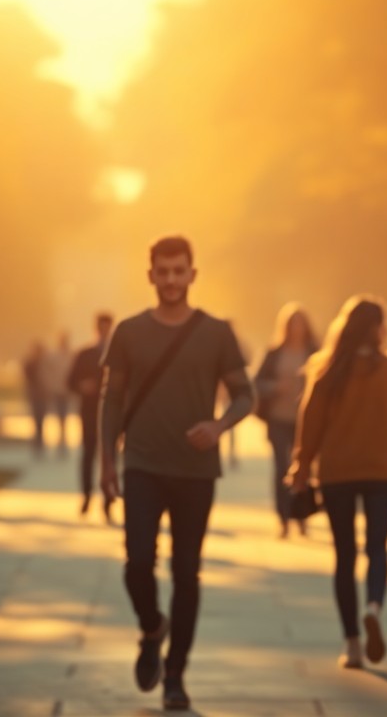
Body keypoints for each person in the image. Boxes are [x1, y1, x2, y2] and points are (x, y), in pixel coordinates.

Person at [98, 236, 254, 711]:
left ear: (192, 274)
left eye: (178, 271)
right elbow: (112, 401)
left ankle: (175, 676)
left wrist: (220, 424)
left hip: (195, 472)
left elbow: (246, 396)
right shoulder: (128, 332)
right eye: (162, 272)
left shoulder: (216, 332)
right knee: (137, 564)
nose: (170, 280)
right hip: (143, 464)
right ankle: (151, 628)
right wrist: (106, 462)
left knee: (187, 573)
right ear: (150, 276)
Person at [287, 296, 387, 669]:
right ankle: (373, 606)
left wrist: (301, 467)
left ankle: (352, 644)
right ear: (377, 329)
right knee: (377, 548)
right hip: (383, 472)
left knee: (344, 555)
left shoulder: (327, 370)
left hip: (337, 473)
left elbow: (309, 424)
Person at [253, 303, 318, 538]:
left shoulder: (314, 352)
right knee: (282, 468)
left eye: (300, 324)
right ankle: (283, 517)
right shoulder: (274, 353)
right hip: (278, 419)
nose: (297, 329)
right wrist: (275, 387)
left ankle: (301, 515)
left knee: (304, 468)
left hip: (305, 421)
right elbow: (257, 383)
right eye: (293, 325)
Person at [67, 312, 114, 520]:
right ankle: (86, 494)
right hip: (89, 411)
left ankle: (109, 500)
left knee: (110, 456)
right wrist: (81, 386)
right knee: (88, 454)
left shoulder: (118, 353)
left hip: (112, 413)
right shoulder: (85, 354)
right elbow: (70, 381)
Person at [43, 332, 74, 455]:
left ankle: (63, 442)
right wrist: (50, 385)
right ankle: (60, 442)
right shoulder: (53, 356)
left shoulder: (71, 355)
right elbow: (47, 371)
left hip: (66, 391)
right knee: (59, 417)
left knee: (64, 417)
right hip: (57, 390)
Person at [21, 340, 47, 456]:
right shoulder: (30, 363)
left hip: (42, 394)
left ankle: (39, 441)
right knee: (36, 418)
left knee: (41, 419)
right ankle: (37, 441)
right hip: (35, 394)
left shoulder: (44, 363)